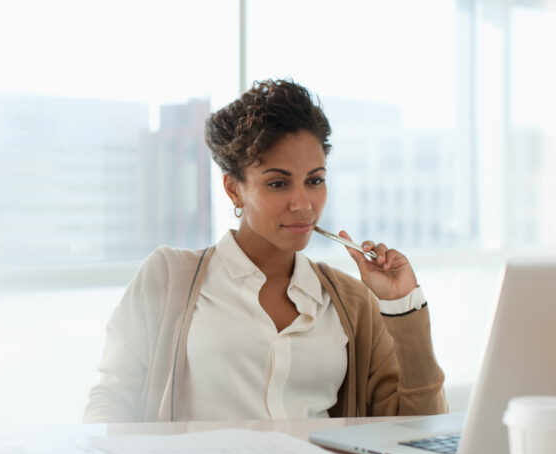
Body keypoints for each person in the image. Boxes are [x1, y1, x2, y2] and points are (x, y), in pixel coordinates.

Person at [83, 78, 446, 423]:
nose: (303, 204)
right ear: (234, 189)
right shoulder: (167, 276)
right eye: (278, 183)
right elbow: (111, 401)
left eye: (315, 180)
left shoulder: (351, 304)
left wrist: (401, 304)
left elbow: (417, 431)